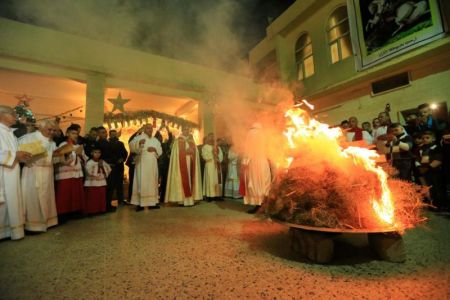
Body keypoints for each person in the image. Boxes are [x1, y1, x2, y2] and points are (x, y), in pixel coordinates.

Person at [19, 119, 59, 232]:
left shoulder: (52, 142)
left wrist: (59, 154)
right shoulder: (29, 138)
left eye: (54, 130)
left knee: (47, 197)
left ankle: (47, 221)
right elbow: (22, 155)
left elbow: (54, 158)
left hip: (47, 171)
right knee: (33, 197)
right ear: (40, 128)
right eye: (49, 129)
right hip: (33, 170)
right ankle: (33, 225)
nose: (52, 132)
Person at [0, 105, 31, 240]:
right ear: (2, 115)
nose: (15, 116)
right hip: (2, 172)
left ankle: (11, 231)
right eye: (12, 114)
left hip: (12, 170)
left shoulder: (10, 132)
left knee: (12, 199)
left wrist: (21, 155)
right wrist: (14, 155)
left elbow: (15, 151)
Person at [54, 125, 87, 217]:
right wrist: (67, 157)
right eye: (73, 133)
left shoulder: (77, 145)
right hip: (66, 173)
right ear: (67, 133)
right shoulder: (63, 144)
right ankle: (63, 213)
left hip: (76, 172)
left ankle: (75, 212)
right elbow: (59, 158)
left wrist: (80, 155)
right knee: (65, 194)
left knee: (76, 193)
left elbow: (84, 158)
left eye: (76, 133)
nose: (75, 135)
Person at [165, 127, 202, 207]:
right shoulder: (178, 141)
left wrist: (193, 152)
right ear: (182, 131)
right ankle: (181, 200)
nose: (187, 131)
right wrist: (185, 152)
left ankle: (190, 200)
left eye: (188, 130)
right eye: (185, 130)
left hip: (191, 164)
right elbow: (175, 154)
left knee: (190, 179)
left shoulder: (191, 141)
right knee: (182, 181)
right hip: (180, 166)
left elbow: (196, 152)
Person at [240, 122, 272, 214]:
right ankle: (264, 204)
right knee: (264, 183)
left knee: (256, 184)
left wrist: (244, 162)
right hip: (263, 162)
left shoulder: (252, 133)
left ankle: (258, 205)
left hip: (254, 163)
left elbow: (249, 149)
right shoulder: (264, 134)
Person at [130, 124, 162, 211]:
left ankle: (153, 203)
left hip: (152, 164)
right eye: (148, 128)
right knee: (141, 182)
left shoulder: (155, 140)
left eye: (151, 128)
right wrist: (139, 143)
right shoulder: (139, 137)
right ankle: (140, 204)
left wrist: (155, 150)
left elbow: (160, 151)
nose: (150, 130)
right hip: (142, 163)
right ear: (144, 129)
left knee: (152, 182)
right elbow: (131, 146)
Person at [418, 131, 445, 210]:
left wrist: (429, 167)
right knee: (429, 189)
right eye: (423, 138)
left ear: (433, 139)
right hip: (425, 172)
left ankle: (441, 205)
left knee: (438, 188)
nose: (424, 139)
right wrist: (420, 167)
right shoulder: (421, 148)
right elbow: (418, 158)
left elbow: (438, 160)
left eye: (427, 138)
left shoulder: (437, 148)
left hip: (435, 171)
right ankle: (432, 204)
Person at [83, 147, 111, 214]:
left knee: (100, 197)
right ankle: (91, 211)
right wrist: (98, 166)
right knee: (92, 198)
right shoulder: (89, 162)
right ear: (92, 153)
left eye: (99, 153)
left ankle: (101, 210)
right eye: (95, 152)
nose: (97, 154)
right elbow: (88, 172)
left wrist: (102, 167)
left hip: (101, 182)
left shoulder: (102, 161)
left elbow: (108, 169)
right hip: (92, 183)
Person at [107, 129, 128, 209]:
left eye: (115, 134)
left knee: (120, 185)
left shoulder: (120, 143)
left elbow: (125, 153)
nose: (114, 136)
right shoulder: (107, 144)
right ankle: (108, 201)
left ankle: (121, 200)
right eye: (112, 134)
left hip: (119, 167)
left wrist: (122, 159)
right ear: (110, 135)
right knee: (110, 185)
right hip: (111, 167)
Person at [202, 133, 223, 201]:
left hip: (217, 165)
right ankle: (209, 196)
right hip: (210, 164)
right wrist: (212, 156)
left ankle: (217, 195)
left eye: (213, 137)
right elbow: (204, 155)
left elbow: (221, 156)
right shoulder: (205, 147)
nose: (211, 139)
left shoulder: (218, 147)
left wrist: (218, 157)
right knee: (210, 180)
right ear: (208, 138)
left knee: (217, 180)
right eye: (210, 137)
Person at [155, 126, 173, 203]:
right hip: (157, 165)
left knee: (164, 182)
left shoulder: (164, 145)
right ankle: (155, 197)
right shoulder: (154, 145)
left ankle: (162, 197)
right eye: (158, 137)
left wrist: (168, 130)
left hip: (165, 166)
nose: (160, 138)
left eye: (161, 138)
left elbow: (170, 139)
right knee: (155, 181)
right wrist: (159, 129)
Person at [125, 127, 143, 202]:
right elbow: (131, 140)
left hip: (141, 164)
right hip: (133, 164)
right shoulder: (133, 143)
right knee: (132, 180)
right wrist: (137, 132)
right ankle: (131, 197)